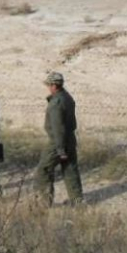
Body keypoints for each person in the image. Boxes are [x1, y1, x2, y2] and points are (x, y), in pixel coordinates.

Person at [34, 72, 83, 206]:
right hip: (70, 138)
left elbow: (58, 128)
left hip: (57, 142)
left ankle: (44, 203)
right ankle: (77, 201)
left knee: (43, 170)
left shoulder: (56, 102)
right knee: (70, 169)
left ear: (54, 85)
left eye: (49, 85)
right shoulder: (67, 97)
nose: (48, 88)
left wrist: (60, 149)